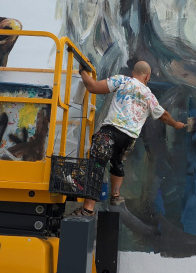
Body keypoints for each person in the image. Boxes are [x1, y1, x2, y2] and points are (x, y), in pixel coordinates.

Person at [72, 60, 186, 216]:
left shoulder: (123, 80)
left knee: (96, 166)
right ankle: (115, 195)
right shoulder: (149, 96)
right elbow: (164, 115)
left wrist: (82, 72)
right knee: (117, 162)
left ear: (133, 73)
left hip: (111, 131)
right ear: (148, 77)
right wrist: (175, 124)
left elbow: (92, 87)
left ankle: (87, 209)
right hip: (129, 138)